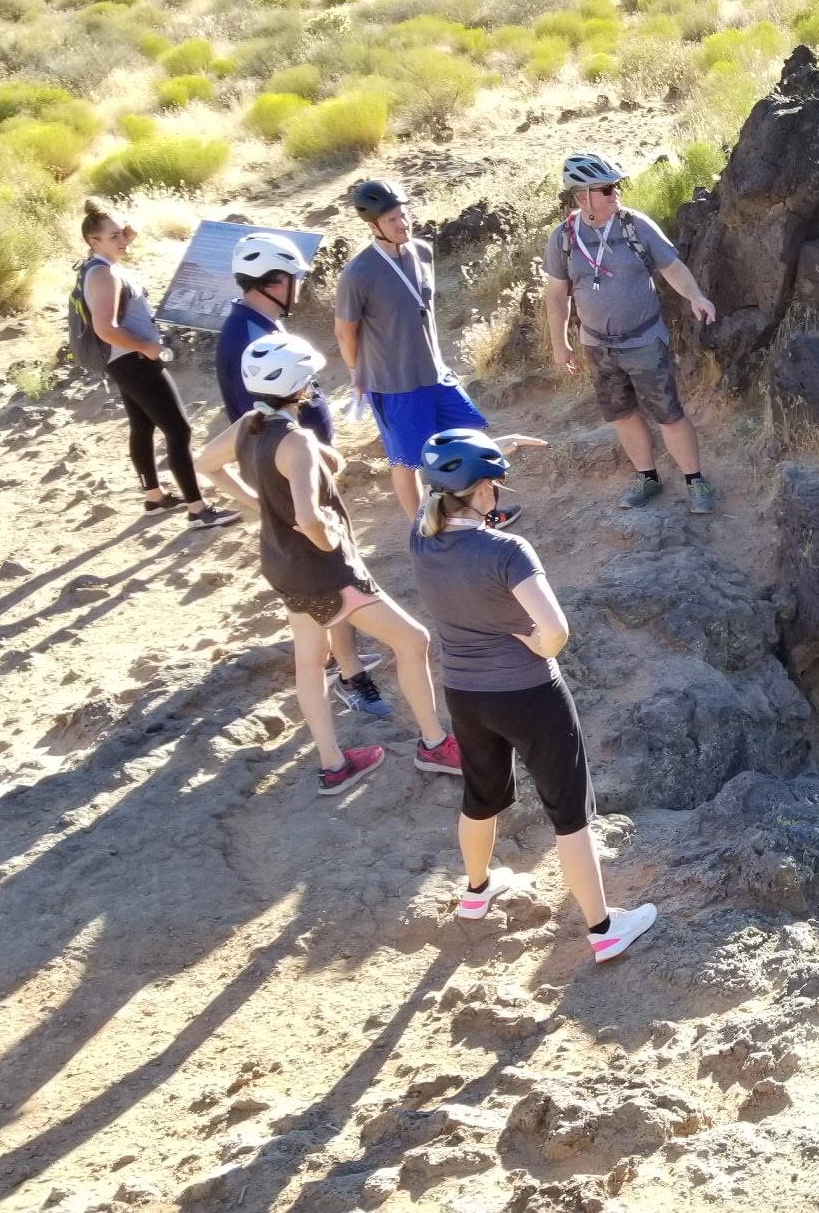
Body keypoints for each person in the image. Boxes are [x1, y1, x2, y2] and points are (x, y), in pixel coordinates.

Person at [410, 427, 658, 963]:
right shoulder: (506, 549)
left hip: (464, 692)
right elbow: (557, 631)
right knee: (569, 813)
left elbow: (422, 479)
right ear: (482, 492)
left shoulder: (419, 534)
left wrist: (485, 451)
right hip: (529, 693)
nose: (499, 491)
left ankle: (476, 894)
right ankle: (603, 929)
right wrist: (537, 642)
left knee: (480, 796)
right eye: (495, 482)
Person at [196, 331, 464, 794]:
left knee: (309, 664)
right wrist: (323, 539)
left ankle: (334, 765)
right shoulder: (295, 442)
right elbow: (308, 515)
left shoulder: (248, 426)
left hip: (281, 566)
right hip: (327, 572)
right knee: (414, 641)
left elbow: (205, 463)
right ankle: (434, 744)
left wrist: (258, 503)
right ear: (299, 383)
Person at [216, 231, 395, 721]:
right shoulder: (249, 338)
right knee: (331, 574)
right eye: (293, 279)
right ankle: (352, 675)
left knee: (332, 576)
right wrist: (268, 498)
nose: (298, 287)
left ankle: (345, 664)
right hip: (293, 477)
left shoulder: (254, 326)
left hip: (302, 471)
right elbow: (250, 422)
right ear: (274, 281)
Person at [542, 152, 721, 514]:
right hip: (597, 346)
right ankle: (648, 478)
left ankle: (696, 481)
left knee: (668, 414)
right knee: (622, 414)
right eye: (606, 189)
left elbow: (672, 267)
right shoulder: (562, 239)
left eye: (616, 187)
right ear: (582, 197)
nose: (615, 194)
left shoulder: (634, 225)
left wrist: (696, 296)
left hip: (644, 340)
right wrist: (560, 344)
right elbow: (556, 296)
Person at [333, 178, 513, 526]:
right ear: (373, 226)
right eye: (391, 220)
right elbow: (344, 331)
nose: (402, 224)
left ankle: (482, 515)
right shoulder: (357, 274)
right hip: (393, 382)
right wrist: (357, 374)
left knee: (469, 440)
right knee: (408, 461)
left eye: (403, 215)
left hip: (435, 373)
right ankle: (424, 529)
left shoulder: (422, 251)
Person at [75, 200, 240, 531]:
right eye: (114, 236)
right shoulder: (104, 274)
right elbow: (104, 328)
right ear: (94, 241)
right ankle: (198, 509)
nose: (122, 239)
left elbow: (115, 250)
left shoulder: (100, 264)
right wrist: (147, 347)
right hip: (132, 358)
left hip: (122, 360)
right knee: (179, 430)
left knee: (143, 425)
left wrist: (125, 235)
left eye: (123, 232)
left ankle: (154, 497)